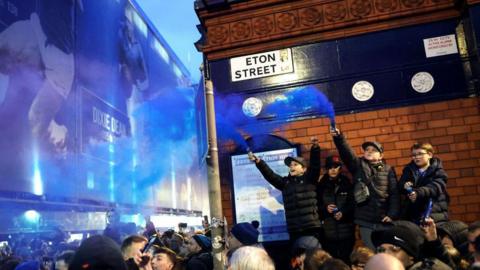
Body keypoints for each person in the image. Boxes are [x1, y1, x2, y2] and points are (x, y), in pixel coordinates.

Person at [331, 127, 400, 249]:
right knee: (373, 253)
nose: (369, 151)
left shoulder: (388, 169)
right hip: (365, 221)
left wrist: (392, 214)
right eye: (367, 149)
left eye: (373, 150)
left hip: (385, 220)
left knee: (387, 253)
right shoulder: (358, 165)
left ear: (381, 155)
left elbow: (394, 194)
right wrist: (339, 137)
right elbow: (346, 153)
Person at [248, 137, 321, 242]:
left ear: (304, 169)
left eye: (295, 164)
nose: (292, 167)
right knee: (297, 257)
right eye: (290, 165)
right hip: (294, 230)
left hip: (312, 228)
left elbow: (315, 165)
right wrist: (259, 162)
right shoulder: (285, 183)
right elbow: (270, 175)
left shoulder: (310, 179)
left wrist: (315, 148)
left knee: (314, 256)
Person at [399, 143, 449, 225]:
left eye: (420, 154)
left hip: (434, 213)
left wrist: (418, 192)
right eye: (414, 155)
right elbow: (400, 185)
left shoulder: (438, 171)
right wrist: (405, 185)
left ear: (430, 155)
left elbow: (436, 187)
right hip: (414, 215)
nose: (416, 157)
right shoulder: (408, 170)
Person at [317, 155, 355, 263]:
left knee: (346, 261)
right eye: (330, 167)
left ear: (340, 168)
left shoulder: (346, 182)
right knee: (331, 263)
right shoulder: (321, 185)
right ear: (326, 169)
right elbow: (316, 206)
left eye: (336, 167)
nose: (333, 170)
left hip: (346, 231)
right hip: (328, 233)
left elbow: (352, 204)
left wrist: (343, 213)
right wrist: (325, 209)